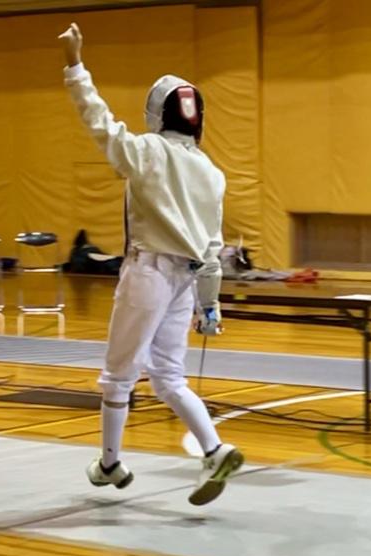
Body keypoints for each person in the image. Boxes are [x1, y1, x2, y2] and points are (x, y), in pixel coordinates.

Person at [59, 23, 244, 505]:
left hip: (148, 274)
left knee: (118, 375)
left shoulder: (148, 152)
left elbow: (99, 121)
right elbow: (212, 249)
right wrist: (210, 306)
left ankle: (110, 464)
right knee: (168, 376)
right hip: (186, 281)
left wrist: (75, 65)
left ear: (158, 113)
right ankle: (215, 449)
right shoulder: (212, 172)